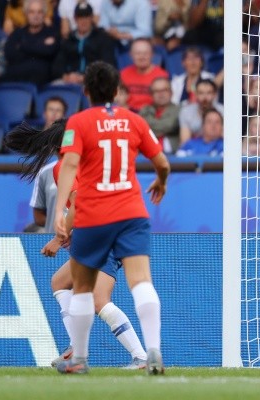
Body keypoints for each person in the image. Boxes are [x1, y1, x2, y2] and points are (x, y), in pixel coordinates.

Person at [3, 119, 149, 370]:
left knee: (99, 300)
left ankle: (140, 357)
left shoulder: (65, 166)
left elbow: (79, 201)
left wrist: (58, 238)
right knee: (60, 282)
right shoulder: (88, 161)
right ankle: (76, 349)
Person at [53, 61, 170, 374]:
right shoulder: (134, 120)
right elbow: (162, 163)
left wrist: (59, 211)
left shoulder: (78, 122)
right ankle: (154, 351)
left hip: (94, 215)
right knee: (141, 282)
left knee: (81, 288)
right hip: (131, 212)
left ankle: (79, 360)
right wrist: (161, 181)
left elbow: (69, 165)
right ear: (117, 91)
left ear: (86, 91)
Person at [28, 97, 67, 234]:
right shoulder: (45, 173)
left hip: (81, 241)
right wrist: (56, 224)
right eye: (51, 109)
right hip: (53, 240)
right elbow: (38, 216)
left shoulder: (88, 170)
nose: (54, 113)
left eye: (58, 110)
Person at [52, 2, 116, 85]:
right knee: (54, 87)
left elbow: (108, 65)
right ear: (75, 19)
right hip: (70, 81)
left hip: (94, 81)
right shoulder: (69, 40)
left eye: (86, 17)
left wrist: (86, 77)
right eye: (80, 17)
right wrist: (66, 76)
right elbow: (57, 66)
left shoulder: (102, 38)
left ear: (91, 18)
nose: (83, 21)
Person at [2, 0, 59, 86]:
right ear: (25, 14)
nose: (36, 16)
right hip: (16, 78)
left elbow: (49, 51)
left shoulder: (52, 32)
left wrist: (21, 46)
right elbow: (9, 54)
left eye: (39, 12)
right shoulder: (17, 33)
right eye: (32, 12)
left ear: (44, 14)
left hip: (41, 81)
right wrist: (39, 47)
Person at [120, 38, 169, 112]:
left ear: (152, 54)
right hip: (128, 114)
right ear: (130, 55)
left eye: (145, 53)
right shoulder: (123, 74)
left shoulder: (162, 75)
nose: (142, 57)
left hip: (152, 114)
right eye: (137, 53)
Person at [139, 77, 181, 153]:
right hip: (145, 155)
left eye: (164, 90)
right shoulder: (144, 110)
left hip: (172, 155)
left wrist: (148, 130)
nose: (161, 94)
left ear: (171, 93)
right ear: (151, 94)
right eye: (156, 91)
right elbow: (140, 131)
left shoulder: (179, 110)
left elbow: (169, 126)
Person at [178, 78, 223, 145]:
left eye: (209, 93)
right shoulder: (186, 112)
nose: (205, 97)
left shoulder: (223, 111)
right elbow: (185, 143)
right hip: (195, 149)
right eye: (201, 93)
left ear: (215, 94)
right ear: (196, 94)